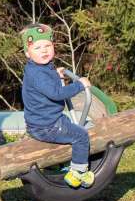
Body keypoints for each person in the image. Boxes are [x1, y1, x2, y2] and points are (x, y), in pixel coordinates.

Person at [19, 26, 95, 187]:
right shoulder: (38, 74)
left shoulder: (39, 67)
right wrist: (80, 85)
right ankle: (78, 172)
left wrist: (56, 74)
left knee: (68, 122)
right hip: (47, 126)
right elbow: (56, 94)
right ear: (27, 53)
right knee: (81, 136)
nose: (44, 50)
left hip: (44, 122)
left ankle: (65, 162)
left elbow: (47, 81)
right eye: (37, 48)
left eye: (47, 46)